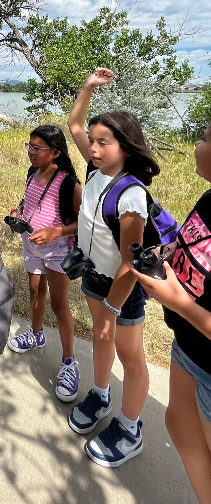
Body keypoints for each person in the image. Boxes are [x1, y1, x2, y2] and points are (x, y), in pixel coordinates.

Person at [66, 68, 159, 467]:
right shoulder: (95, 171)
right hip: (94, 275)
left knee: (130, 355)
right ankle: (101, 393)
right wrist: (87, 87)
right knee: (101, 340)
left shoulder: (131, 194)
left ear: (126, 146)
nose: (95, 148)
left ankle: (130, 426)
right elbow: (73, 124)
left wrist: (114, 307)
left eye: (104, 142)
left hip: (123, 290)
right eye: (94, 141)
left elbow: (130, 262)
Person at [132, 123, 211, 504]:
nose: (197, 143)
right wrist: (166, 258)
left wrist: (177, 301)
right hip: (188, 346)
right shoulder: (210, 198)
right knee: (179, 425)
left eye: (207, 138)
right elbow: (189, 242)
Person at [7, 124, 82, 402]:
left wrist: (56, 232)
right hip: (32, 244)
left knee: (59, 305)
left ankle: (69, 361)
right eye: (30, 146)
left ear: (55, 153)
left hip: (57, 251)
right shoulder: (32, 174)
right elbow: (30, 202)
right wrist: (19, 212)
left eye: (37, 148)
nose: (31, 152)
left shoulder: (69, 184)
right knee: (35, 290)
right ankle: (36, 334)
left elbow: (83, 223)